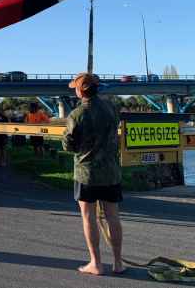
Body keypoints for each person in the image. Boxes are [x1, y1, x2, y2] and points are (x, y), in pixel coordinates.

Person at [62, 73, 125, 276]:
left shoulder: (77, 115)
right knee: (112, 216)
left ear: (80, 92)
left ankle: (96, 263)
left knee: (89, 217)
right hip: (111, 172)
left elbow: (68, 145)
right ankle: (117, 262)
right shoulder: (112, 108)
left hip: (86, 173)